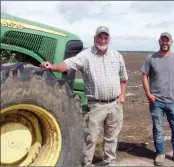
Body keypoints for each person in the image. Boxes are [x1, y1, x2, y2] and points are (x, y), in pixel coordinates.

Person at [40, 26, 128, 166]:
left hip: (115, 104)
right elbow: (68, 64)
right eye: (100, 37)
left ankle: (109, 162)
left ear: (109, 39)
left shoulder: (116, 56)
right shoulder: (86, 56)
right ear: (95, 39)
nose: (103, 40)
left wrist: (122, 96)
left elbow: (123, 78)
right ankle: (86, 163)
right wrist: (52, 67)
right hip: (96, 105)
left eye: (105, 37)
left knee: (112, 137)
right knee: (90, 138)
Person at [140, 32, 174, 166]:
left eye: (167, 41)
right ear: (159, 42)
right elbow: (144, 75)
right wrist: (148, 94)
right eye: (162, 40)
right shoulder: (151, 58)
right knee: (158, 129)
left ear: (171, 42)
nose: (165, 43)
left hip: (173, 101)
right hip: (156, 101)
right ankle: (160, 154)